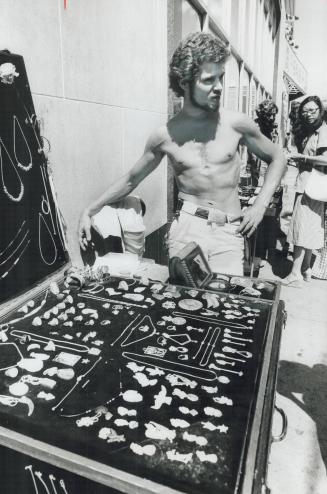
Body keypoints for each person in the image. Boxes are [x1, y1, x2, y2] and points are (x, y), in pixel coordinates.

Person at [78, 32, 286, 276]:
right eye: (209, 80)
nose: (219, 87)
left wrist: (260, 204)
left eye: (221, 78)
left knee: (224, 307)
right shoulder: (165, 135)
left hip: (229, 231)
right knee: (183, 306)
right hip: (186, 228)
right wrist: (89, 210)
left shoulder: (237, 124)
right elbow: (131, 180)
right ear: (185, 82)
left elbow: (278, 157)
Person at [285, 95, 327, 286]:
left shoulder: (323, 131)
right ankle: (306, 269)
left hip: (311, 185)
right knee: (309, 228)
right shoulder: (316, 131)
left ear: (320, 111)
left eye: (313, 110)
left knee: (301, 227)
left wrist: (301, 157)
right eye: (305, 111)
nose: (308, 114)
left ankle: (295, 273)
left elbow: (326, 159)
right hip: (314, 185)